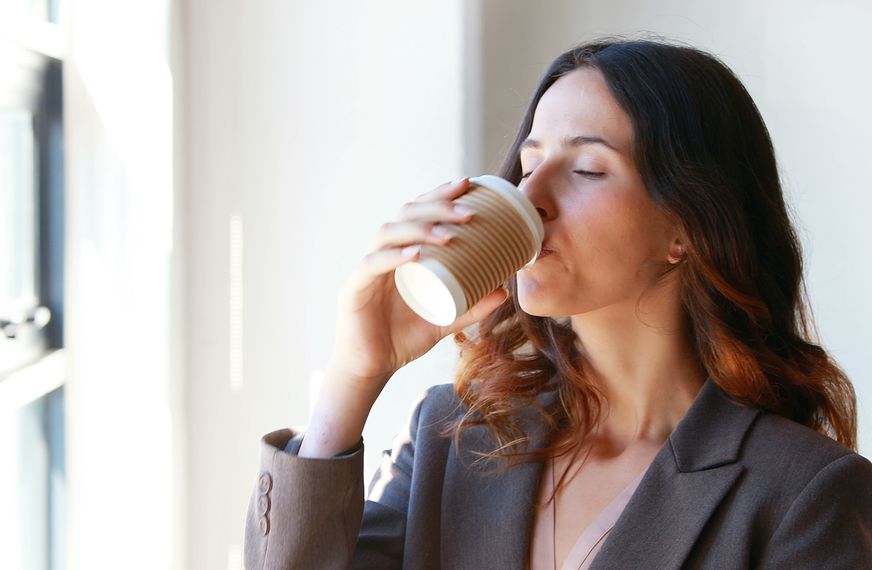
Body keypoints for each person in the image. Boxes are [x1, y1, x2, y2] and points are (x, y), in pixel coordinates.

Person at [244, 38, 872, 569]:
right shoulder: (453, 437)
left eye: (588, 170)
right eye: (530, 160)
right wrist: (355, 376)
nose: (530, 197)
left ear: (687, 227)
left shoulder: (803, 493)